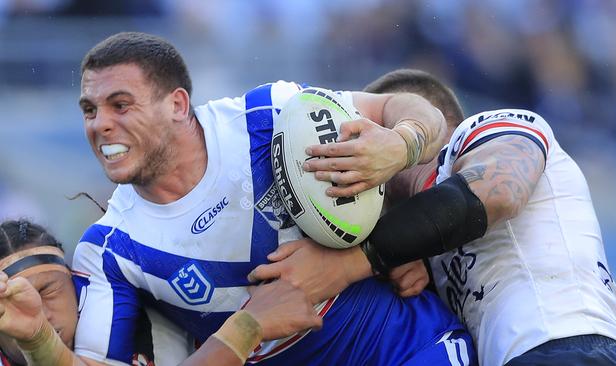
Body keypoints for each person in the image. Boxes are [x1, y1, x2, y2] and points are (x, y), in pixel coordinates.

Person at [13, 32, 476, 365]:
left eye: (120, 105)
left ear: (177, 105)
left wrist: (404, 142)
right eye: (90, 111)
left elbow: (412, 107)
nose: (99, 125)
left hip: (410, 349)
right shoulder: (110, 248)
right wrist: (37, 339)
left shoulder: (267, 115)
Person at [248, 69, 616, 365]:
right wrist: (407, 262)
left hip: (572, 346)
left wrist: (353, 262)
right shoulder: (423, 246)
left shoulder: (492, 126)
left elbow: (498, 193)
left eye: (368, 131)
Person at [0, 219, 323, 366]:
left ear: (76, 281)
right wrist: (248, 326)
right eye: (11, 302)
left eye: (48, 290)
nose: (38, 309)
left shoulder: (133, 297)